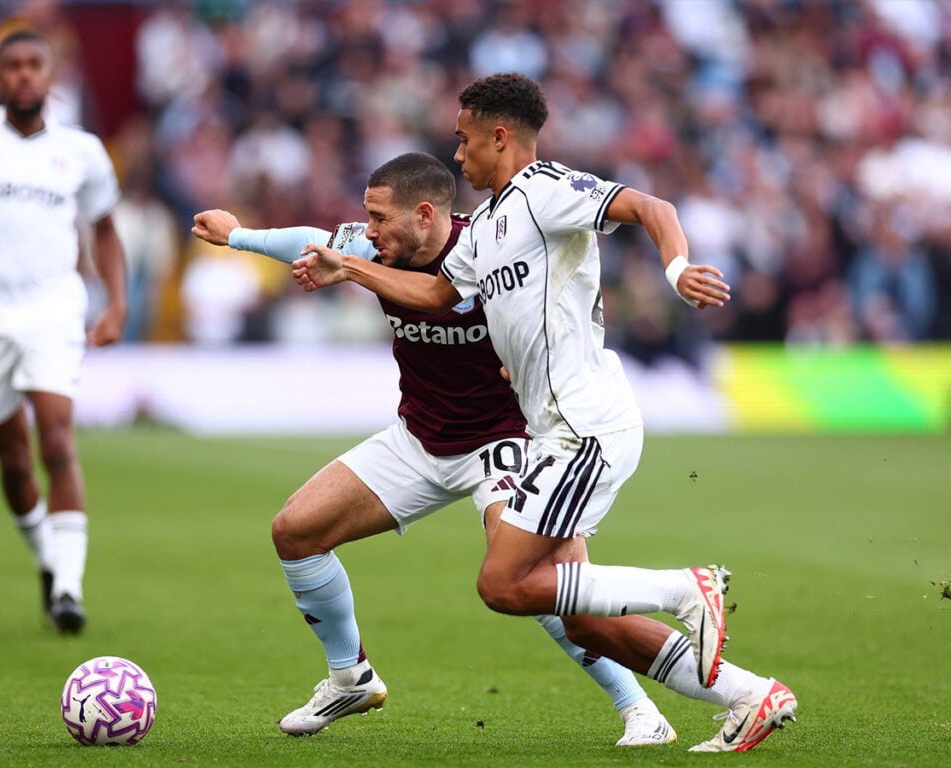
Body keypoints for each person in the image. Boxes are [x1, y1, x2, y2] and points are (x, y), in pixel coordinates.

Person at [293, 73, 798, 753]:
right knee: (576, 612)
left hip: (584, 426)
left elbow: (651, 207)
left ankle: (685, 588)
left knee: (503, 584)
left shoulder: (544, 191)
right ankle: (749, 695)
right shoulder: (486, 227)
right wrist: (350, 269)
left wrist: (676, 271)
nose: (458, 154)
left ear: (499, 137)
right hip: (555, 433)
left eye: (464, 139)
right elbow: (438, 295)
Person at [192, 152, 677, 746]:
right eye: (367, 218)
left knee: (533, 579)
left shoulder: (491, 250)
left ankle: (639, 710)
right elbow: (312, 240)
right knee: (295, 531)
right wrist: (237, 235)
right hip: (419, 439)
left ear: (424, 215)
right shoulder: (372, 248)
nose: (368, 230)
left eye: (380, 218)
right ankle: (350, 677)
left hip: (505, 442)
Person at [0, 27, 127, 634]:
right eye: (12, 65)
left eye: (33, 64)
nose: (23, 74)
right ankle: (47, 558)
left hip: (52, 312)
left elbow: (105, 229)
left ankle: (68, 589)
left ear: (49, 74)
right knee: (14, 462)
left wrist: (116, 304)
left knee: (57, 441)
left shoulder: (81, 150)